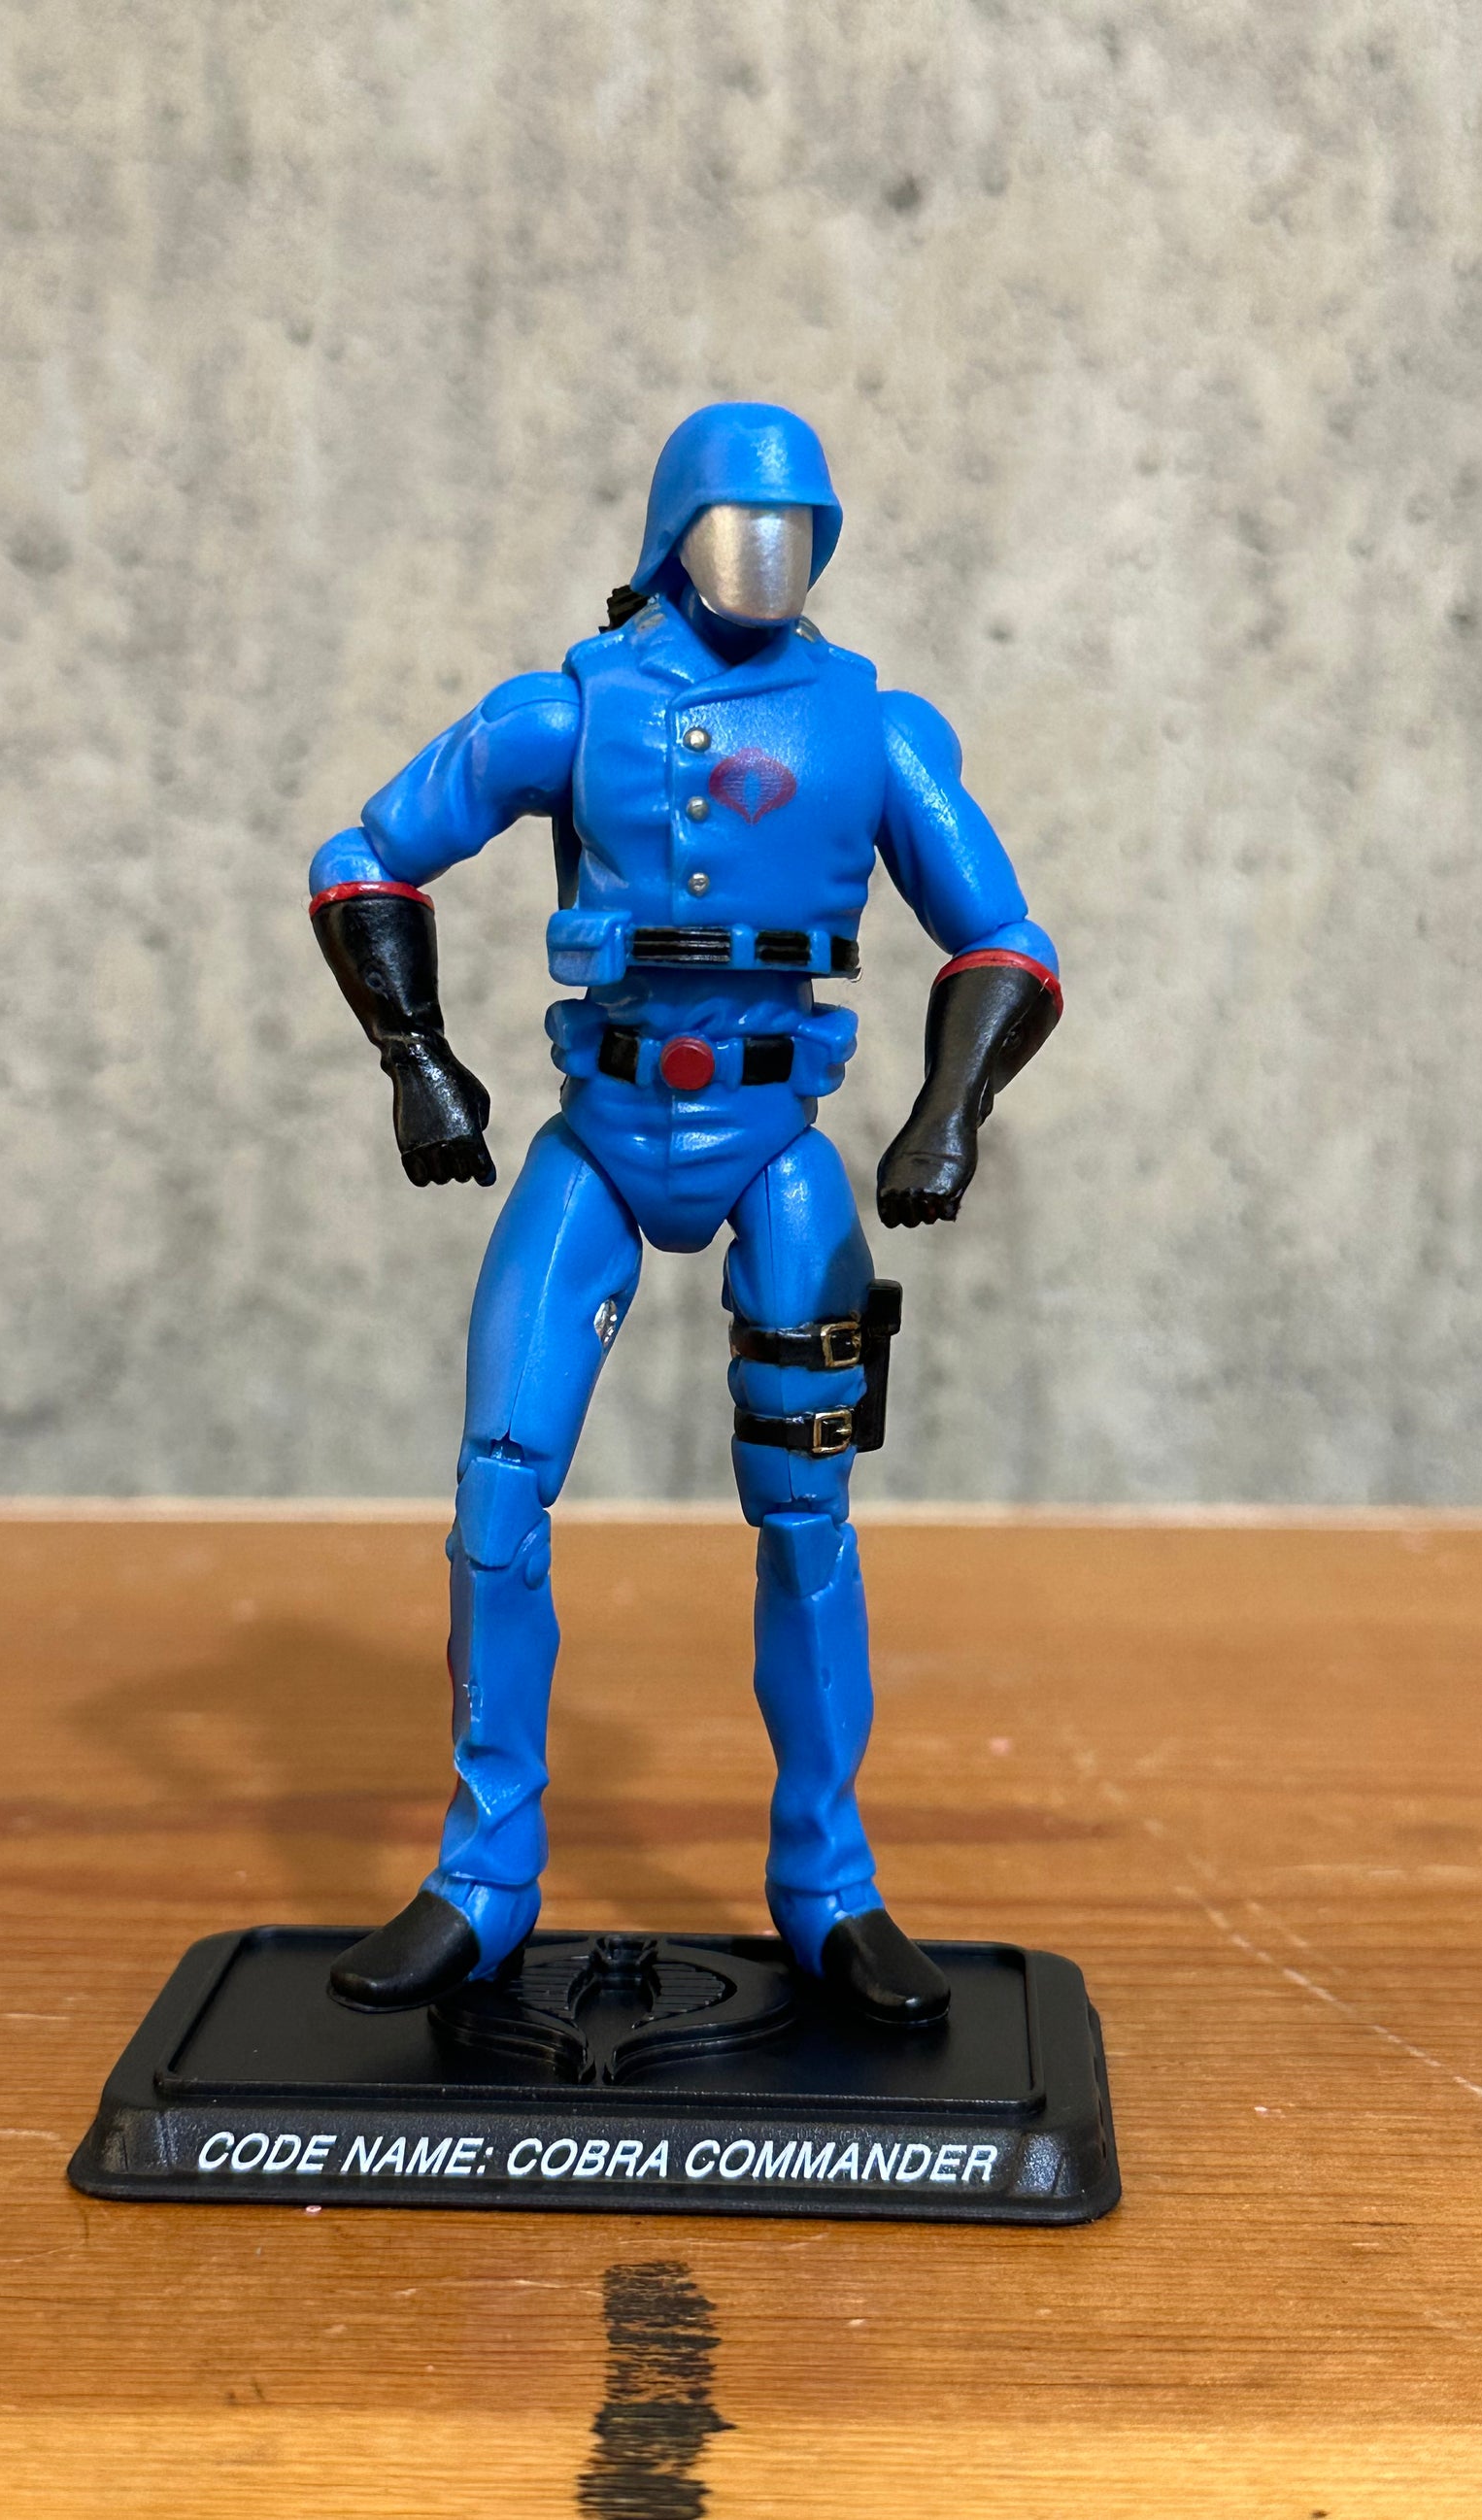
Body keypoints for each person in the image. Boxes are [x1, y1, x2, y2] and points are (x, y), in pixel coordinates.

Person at [308, 402, 1060, 2026]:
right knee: (496, 1489)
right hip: (598, 1133)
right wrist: (416, 1060)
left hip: (777, 1147)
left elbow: (1004, 938)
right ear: (672, 536)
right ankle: (482, 1878)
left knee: (806, 1519)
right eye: (737, 526)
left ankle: (830, 1882)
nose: (767, 558)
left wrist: (948, 1110)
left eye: (797, 531)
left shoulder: (873, 729)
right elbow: (363, 856)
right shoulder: (564, 712)